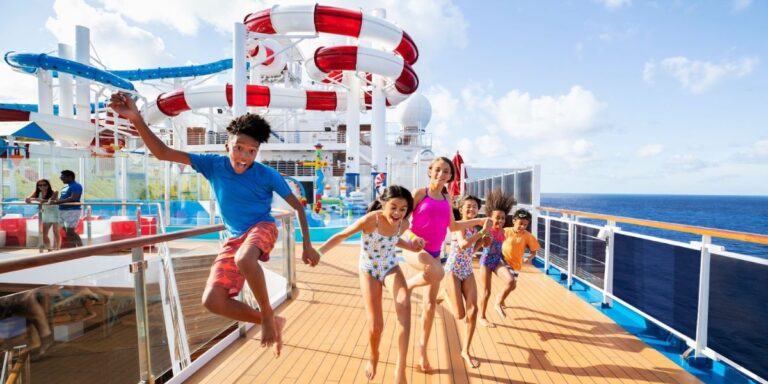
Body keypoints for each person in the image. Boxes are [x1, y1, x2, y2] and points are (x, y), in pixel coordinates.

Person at [108, 91, 320, 357]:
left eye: (251, 151)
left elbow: (299, 206)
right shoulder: (212, 164)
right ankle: (272, 320)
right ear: (227, 146)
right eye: (239, 147)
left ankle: (268, 315)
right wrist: (137, 119)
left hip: (262, 227)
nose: (244, 156)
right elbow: (162, 153)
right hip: (235, 237)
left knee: (245, 259)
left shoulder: (267, 174)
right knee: (213, 300)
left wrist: (307, 246)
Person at [317, 185, 423, 383]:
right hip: (369, 269)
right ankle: (374, 356)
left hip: (390, 266)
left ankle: (400, 368)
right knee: (376, 325)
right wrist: (319, 253)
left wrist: (413, 245)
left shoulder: (404, 223)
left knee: (404, 301)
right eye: (393, 207)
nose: (398, 213)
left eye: (403, 209)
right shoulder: (370, 220)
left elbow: (394, 240)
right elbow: (342, 235)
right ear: (383, 203)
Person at [403, 156, 488, 371]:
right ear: (430, 171)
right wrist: (413, 240)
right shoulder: (419, 194)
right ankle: (408, 286)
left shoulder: (447, 197)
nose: (441, 174)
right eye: (438, 170)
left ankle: (422, 354)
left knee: (430, 306)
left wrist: (478, 222)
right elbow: (403, 223)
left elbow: (452, 225)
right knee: (438, 271)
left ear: (451, 176)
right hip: (415, 249)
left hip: (433, 253)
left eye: (446, 172)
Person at [442, 195, 491, 369]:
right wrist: (482, 232)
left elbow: (471, 250)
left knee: (473, 310)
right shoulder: (458, 226)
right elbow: (463, 245)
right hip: (453, 270)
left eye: (475, 207)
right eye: (468, 206)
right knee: (459, 315)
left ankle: (466, 350)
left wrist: (484, 242)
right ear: (461, 209)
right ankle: (445, 294)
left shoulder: (475, 228)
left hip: (467, 270)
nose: (471, 209)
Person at [478, 188, 517, 327]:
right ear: (490, 217)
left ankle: (498, 302)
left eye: (502, 218)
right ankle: (482, 317)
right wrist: (486, 237)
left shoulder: (503, 231)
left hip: (497, 261)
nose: (500, 220)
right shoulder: (489, 231)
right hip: (486, 262)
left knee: (511, 282)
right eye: (497, 218)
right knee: (486, 292)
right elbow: (485, 244)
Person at [499, 208, 540, 308]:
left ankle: (502, 299)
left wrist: (529, 258)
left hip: (516, 265)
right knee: (510, 282)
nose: (522, 226)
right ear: (514, 220)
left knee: (513, 286)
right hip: (503, 261)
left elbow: (534, 251)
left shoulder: (527, 236)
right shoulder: (505, 231)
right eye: (520, 223)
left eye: (525, 225)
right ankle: (499, 302)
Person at [25, 179, 61, 251]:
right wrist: (29, 199)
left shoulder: (54, 192)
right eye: (40, 185)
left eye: (44, 185)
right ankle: (49, 249)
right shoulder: (38, 193)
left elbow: (50, 201)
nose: (42, 187)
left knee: (56, 232)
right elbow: (28, 199)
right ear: (38, 186)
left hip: (54, 213)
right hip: (45, 214)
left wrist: (37, 199)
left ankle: (58, 249)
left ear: (48, 185)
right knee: (44, 234)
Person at [52, 170, 83, 248]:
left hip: (72, 210)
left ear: (70, 177)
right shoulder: (65, 187)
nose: (61, 178)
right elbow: (63, 198)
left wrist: (58, 202)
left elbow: (74, 198)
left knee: (70, 231)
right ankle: (73, 249)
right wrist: (55, 200)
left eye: (62, 177)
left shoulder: (76, 186)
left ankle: (81, 249)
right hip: (62, 210)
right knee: (67, 231)